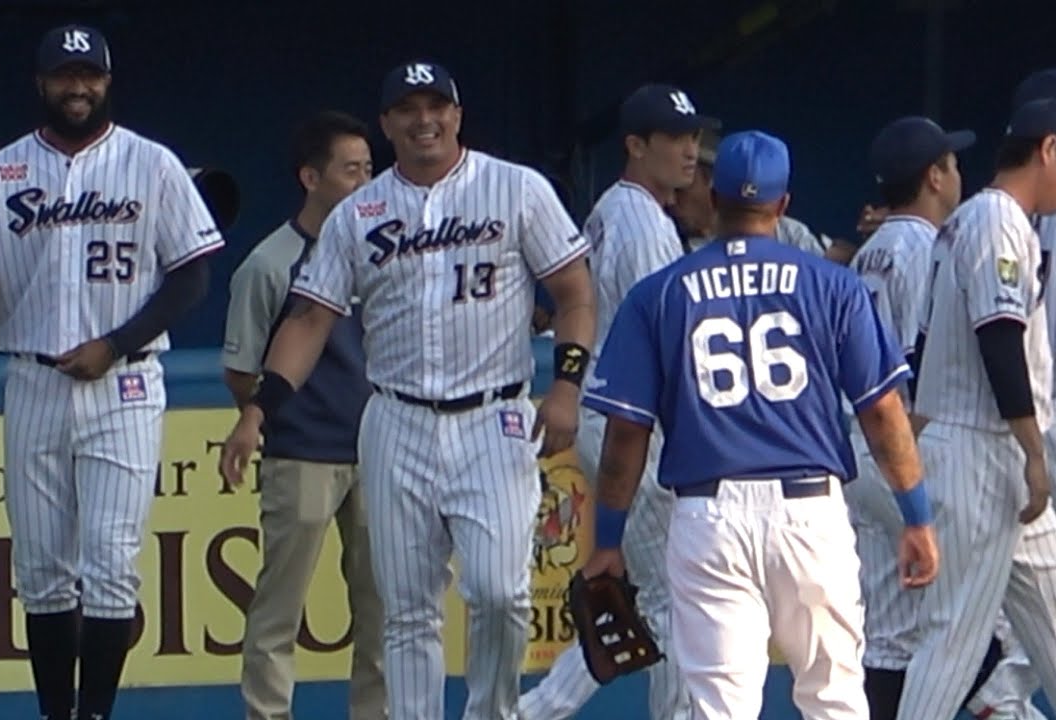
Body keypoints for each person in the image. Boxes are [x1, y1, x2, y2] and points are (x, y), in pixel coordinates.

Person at [218, 60, 596, 720]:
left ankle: (492, 714)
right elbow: (308, 319)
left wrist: (566, 386)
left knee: (501, 594)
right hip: (397, 418)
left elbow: (573, 291)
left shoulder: (516, 188)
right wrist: (259, 410)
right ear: (387, 124)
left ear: (457, 115)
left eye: (436, 106)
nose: (425, 120)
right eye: (408, 109)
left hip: (493, 415)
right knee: (408, 609)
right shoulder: (358, 214)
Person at [581, 129, 937, 719]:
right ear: (783, 204)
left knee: (720, 708)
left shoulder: (660, 293)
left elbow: (626, 435)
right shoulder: (833, 284)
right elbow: (881, 411)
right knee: (834, 699)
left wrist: (609, 539)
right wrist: (917, 515)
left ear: (713, 198)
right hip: (809, 513)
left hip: (708, 515)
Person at [0, 24, 222, 720]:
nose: (78, 87)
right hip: (33, 378)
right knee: (41, 570)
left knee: (112, 563)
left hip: (124, 383)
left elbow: (192, 277)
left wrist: (117, 343)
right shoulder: (4, 170)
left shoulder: (152, 164)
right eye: (65, 75)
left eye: (88, 74)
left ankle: (94, 713)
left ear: (107, 81)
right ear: (42, 83)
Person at [519, 82, 719, 720]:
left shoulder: (618, 208)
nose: (689, 152)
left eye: (693, 138)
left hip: (612, 415)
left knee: (645, 598)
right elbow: (668, 343)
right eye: (674, 139)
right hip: (633, 422)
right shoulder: (642, 224)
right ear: (635, 145)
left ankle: (535, 711)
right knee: (678, 595)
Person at [221, 110, 385, 720]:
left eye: (370, 169)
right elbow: (241, 369)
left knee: (385, 609)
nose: (365, 183)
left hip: (380, 452)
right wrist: (267, 418)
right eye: (351, 171)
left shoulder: (386, 250)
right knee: (279, 609)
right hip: (300, 453)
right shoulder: (269, 263)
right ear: (310, 178)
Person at [896, 98, 1056, 720]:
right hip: (979, 450)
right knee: (953, 640)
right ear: (1048, 150)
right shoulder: (995, 219)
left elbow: (929, 346)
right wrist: (1035, 453)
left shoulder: (969, 220)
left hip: (984, 448)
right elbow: (998, 340)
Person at [672, 127, 834, 258]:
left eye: (681, 191)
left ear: (712, 186)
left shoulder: (788, 233)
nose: (672, 201)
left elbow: (827, 271)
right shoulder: (672, 239)